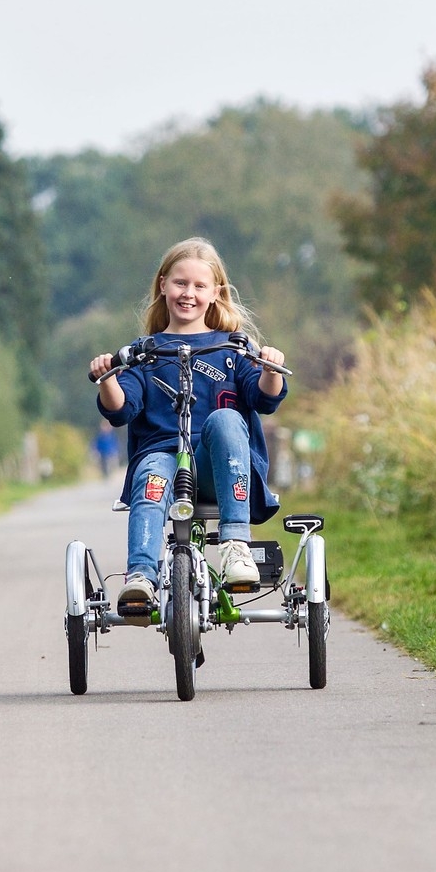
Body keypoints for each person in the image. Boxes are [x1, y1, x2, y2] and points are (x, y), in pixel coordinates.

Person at [88, 238, 288, 609]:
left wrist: (270, 368)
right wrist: (107, 379)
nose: (188, 293)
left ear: (216, 293)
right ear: (163, 284)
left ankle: (236, 546)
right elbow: (121, 410)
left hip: (217, 467)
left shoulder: (234, 349)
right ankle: (141, 576)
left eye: (199, 285)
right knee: (150, 474)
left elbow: (265, 399)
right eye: (180, 283)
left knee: (226, 419)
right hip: (163, 459)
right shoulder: (145, 353)